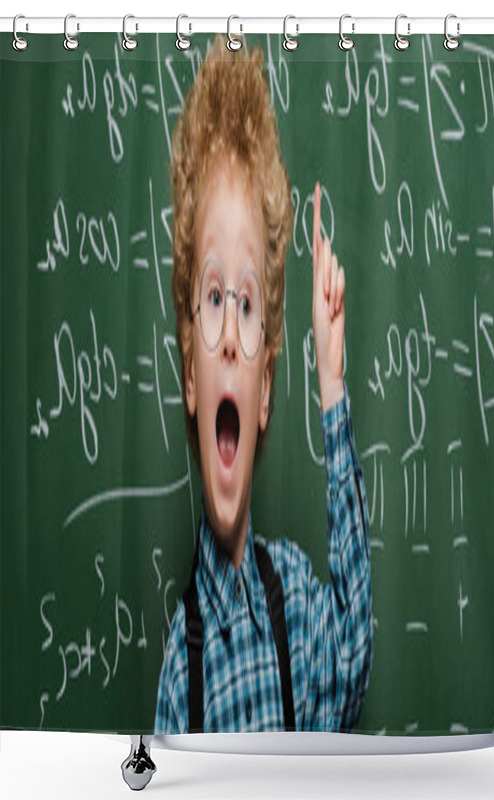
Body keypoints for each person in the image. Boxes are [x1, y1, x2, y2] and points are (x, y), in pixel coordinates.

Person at [154, 34, 372, 733]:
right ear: (193, 376)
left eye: (246, 306)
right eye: (213, 298)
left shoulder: (300, 604)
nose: (225, 333)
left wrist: (332, 383)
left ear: (266, 392)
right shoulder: (177, 676)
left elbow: (355, 657)